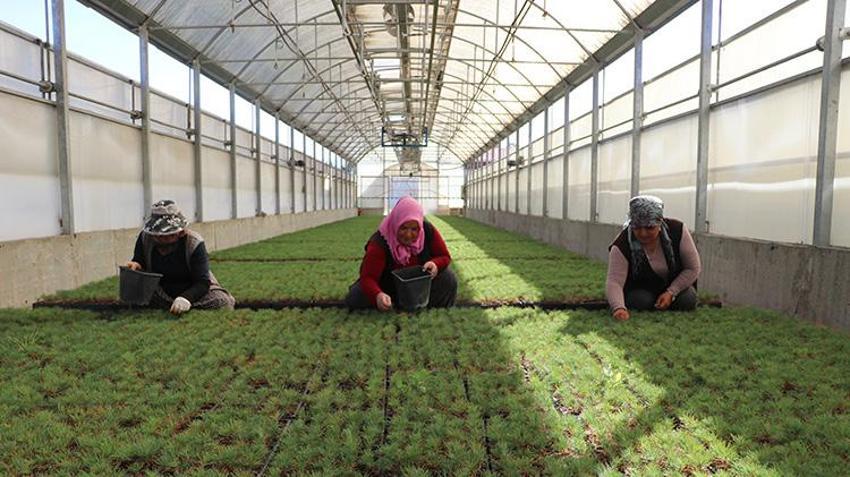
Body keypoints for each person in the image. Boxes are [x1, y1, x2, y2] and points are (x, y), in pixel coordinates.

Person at [346, 196, 457, 311]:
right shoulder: (381, 242)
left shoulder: (427, 231)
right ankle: (390, 304)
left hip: (421, 286)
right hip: (389, 288)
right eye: (403, 228)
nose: (408, 235)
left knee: (448, 279)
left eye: (414, 229)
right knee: (357, 295)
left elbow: (444, 256)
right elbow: (368, 277)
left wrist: (435, 264)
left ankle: (428, 307)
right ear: (396, 222)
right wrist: (377, 295)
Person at [125, 200, 235, 315]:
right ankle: (174, 306)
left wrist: (186, 298)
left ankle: (182, 306)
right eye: (158, 236)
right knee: (136, 295)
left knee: (223, 302)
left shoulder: (194, 243)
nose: (162, 239)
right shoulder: (145, 238)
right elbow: (139, 260)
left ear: (180, 233)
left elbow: (202, 282)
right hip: (160, 289)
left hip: (192, 288)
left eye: (168, 236)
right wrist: (136, 264)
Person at [606, 195, 701, 321]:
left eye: (649, 227)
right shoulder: (621, 244)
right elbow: (615, 281)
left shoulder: (678, 230)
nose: (643, 233)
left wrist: (671, 292)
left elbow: (692, 268)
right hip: (641, 287)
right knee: (640, 301)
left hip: (673, 283)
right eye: (637, 228)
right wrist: (619, 308)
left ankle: (668, 299)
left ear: (660, 223)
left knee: (687, 299)